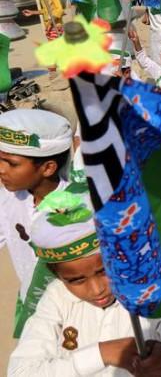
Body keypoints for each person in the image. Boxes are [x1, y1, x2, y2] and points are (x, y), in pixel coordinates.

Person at [7, 188, 161, 376]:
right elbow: (21, 372)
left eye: (105, 271)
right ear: (57, 275)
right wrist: (102, 353)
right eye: (76, 280)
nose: (97, 290)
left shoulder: (150, 290)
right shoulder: (56, 298)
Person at [0, 109, 73, 338]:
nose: (1, 169)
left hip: (75, 310)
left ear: (48, 167)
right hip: (32, 305)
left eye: (11, 163)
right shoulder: (7, 198)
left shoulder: (78, 206)